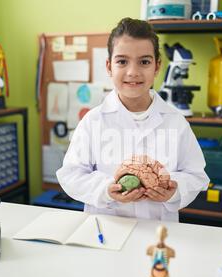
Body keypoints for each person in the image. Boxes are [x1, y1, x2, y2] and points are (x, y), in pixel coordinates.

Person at [56, 17, 209, 221]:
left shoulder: (176, 122)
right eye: (122, 61)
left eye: (144, 61)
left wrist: (175, 190)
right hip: (106, 229)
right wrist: (105, 190)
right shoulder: (93, 122)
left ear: (156, 67)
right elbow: (71, 175)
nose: (133, 72)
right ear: (109, 67)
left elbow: (196, 174)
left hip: (159, 232)